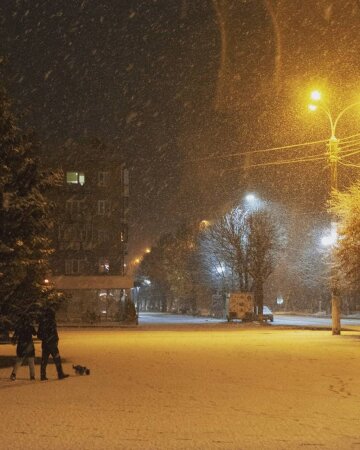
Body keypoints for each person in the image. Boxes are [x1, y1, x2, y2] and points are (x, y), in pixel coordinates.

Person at [37, 305, 69, 381]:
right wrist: (54, 339)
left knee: (44, 360)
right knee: (57, 358)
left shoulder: (43, 322)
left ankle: (42, 375)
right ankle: (60, 373)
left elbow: (39, 334)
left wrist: (45, 338)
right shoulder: (51, 322)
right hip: (52, 344)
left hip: (45, 344)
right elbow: (53, 333)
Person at [10, 317, 37, 381]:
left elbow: (15, 336)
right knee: (31, 361)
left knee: (19, 360)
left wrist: (14, 340)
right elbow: (35, 333)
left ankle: (13, 374)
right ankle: (32, 376)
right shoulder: (30, 327)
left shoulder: (19, 327)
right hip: (29, 345)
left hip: (21, 345)